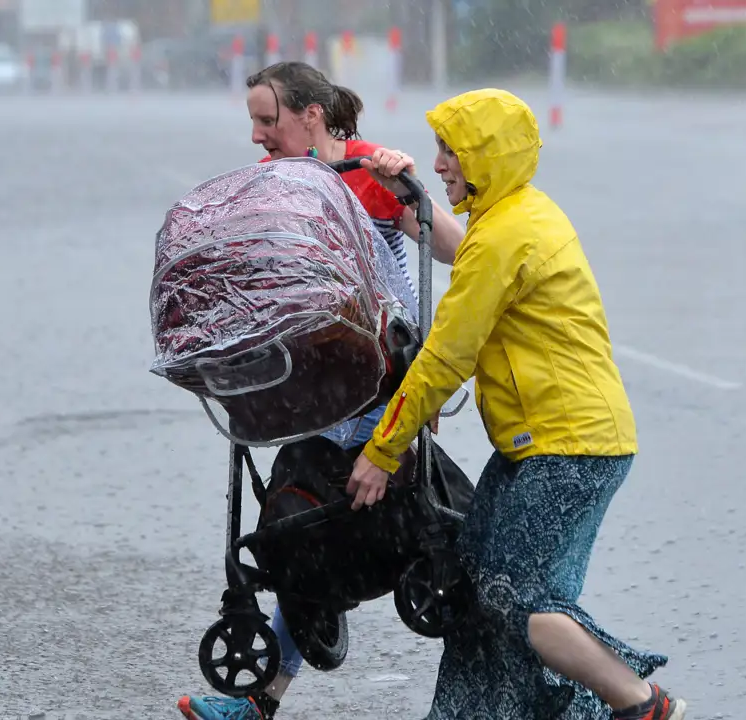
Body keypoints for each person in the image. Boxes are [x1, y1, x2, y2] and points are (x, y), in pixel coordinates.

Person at [344, 88, 689, 720]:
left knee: (517, 596)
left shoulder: (502, 237)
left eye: (451, 151)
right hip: (545, 444)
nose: (442, 162)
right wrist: (408, 192)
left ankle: (641, 704)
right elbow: (450, 247)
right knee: (475, 589)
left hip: (569, 447)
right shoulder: (513, 215)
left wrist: (383, 450)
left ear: (486, 156)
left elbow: (446, 358)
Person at [176, 62, 467, 720]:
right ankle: (267, 685)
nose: (255, 134)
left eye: (266, 119)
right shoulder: (276, 186)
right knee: (303, 532)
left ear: (311, 116)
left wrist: (409, 189)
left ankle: (567, 673)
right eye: (251, 120)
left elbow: (455, 250)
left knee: (313, 534)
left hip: (377, 398)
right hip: (315, 393)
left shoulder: (366, 172)